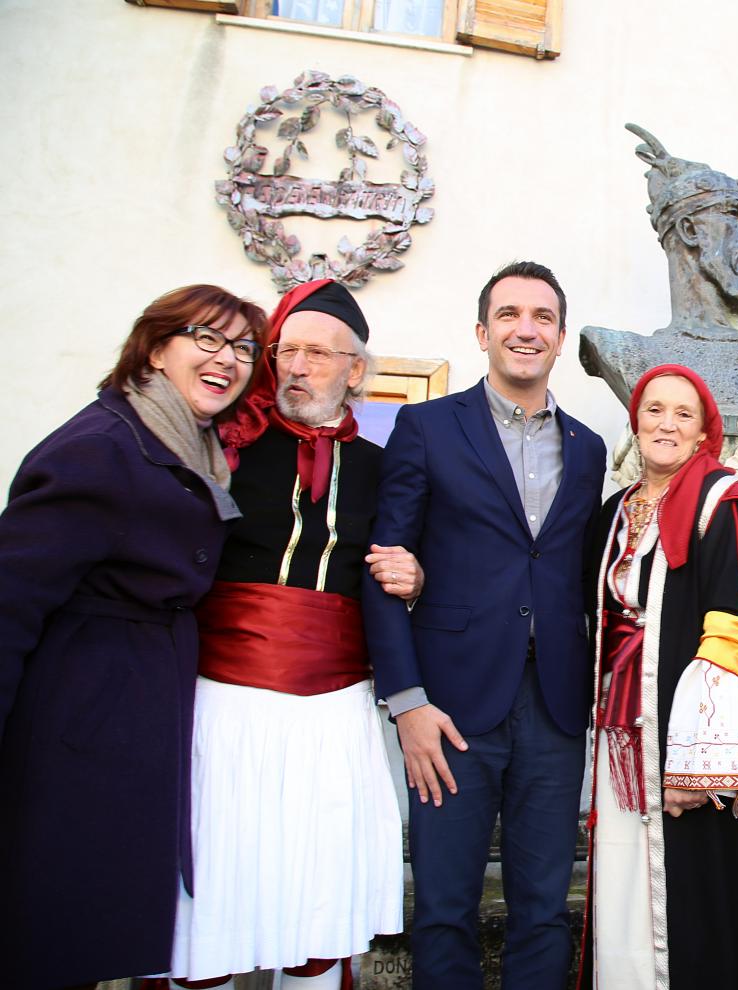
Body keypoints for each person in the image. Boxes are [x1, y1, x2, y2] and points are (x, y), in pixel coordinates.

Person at [0, 284, 265, 990]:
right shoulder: (99, 449)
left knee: (89, 922)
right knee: (55, 925)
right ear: (154, 349)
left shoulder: (182, 440)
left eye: (242, 347)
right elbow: (10, 600)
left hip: (135, 702)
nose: (227, 359)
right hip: (80, 714)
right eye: (205, 339)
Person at [159, 280, 419, 989]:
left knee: (316, 898)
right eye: (285, 351)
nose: (295, 367)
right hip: (220, 699)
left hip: (334, 707)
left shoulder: (382, 466)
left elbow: (404, 561)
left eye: (315, 353)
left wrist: (414, 575)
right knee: (214, 885)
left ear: (356, 371)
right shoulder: (223, 444)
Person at [363, 261, 607, 990]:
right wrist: (405, 701)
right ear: (482, 331)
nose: (525, 329)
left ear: (560, 337)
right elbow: (384, 565)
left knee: (544, 907)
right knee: (443, 904)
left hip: (557, 705)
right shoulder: (426, 426)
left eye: (541, 317)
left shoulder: (590, 447)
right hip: (450, 706)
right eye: (508, 315)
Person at [578, 363, 738, 989]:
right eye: (654, 410)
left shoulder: (722, 501)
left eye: (683, 414)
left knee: (699, 895)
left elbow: (733, 630)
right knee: (620, 879)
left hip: (685, 739)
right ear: (635, 421)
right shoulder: (614, 511)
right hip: (619, 733)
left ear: (703, 433)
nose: (666, 424)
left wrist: (694, 762)